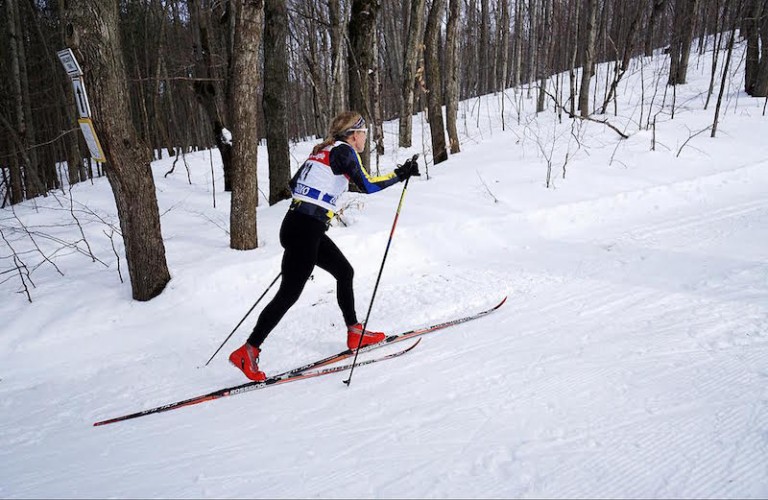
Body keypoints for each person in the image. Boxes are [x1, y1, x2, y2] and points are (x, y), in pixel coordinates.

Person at [228, 111, 421, 381]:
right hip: (306, 228)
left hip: (301, 224)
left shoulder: (325, 150)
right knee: (289, 294)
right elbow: (366, 185)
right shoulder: (344, 151)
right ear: (354, 135)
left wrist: (322, 203)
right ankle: (248, 351)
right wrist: (401, 174)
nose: (365, 138)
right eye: (364, 133)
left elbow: (295, 184)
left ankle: (355, 333)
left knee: (344, 272)